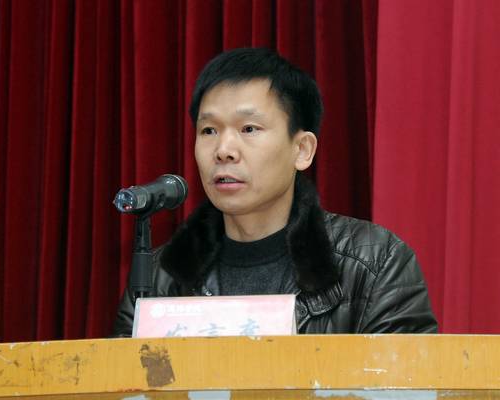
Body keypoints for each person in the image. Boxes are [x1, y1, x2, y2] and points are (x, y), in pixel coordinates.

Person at [112, 47, 437, 336]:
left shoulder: (375, 264)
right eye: (209, 130)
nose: (224, 150)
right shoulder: (160, 276)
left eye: (249, 129)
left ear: (302, 150)